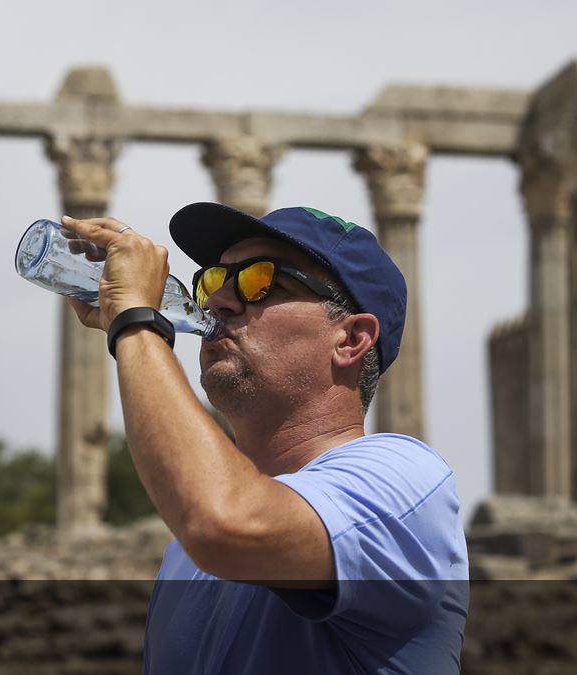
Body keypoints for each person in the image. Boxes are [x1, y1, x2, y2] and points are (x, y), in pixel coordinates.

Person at [60, 202, 469, 674]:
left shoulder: (406, 484)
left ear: (352, 339)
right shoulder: (183, 556)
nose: (218, 302)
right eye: (213, 280)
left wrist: (136, 322)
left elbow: (222, 520)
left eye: (261, 281)